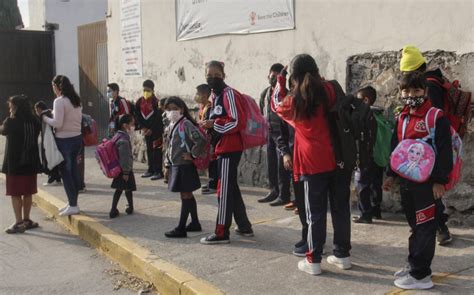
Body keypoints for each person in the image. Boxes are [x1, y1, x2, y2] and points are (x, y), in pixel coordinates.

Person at [271, 54, 352, 275]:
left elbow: (275, 105)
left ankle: (313, 260)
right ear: (316, 71)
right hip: (339, 159)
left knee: (314, 213)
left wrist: (280, 81)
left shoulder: (294, 99)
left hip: (312, 163)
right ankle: (342, 255)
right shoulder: (331, 89)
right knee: (341, 209)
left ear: (293, 76)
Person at [383, 72, 452, 290]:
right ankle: (414, 263)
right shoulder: (402, 117)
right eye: (406, 91)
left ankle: (421, 275)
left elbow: (444, 151)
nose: (411, 95)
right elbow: (397, 148)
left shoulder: (435, 117)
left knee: (425, 226)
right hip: (407, 183)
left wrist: (440, 181)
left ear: (425, 91)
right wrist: (391, 174)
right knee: (415, 225)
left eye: (416, 91)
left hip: (427, 184)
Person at [400, 45, 452, 245]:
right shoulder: (431, 83)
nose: (411, 94)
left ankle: (439, 228)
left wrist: (440, 178)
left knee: (431, 196)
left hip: (429, 154)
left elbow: (434, 123)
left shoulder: (430, 87)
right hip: (417, 155)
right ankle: (424, 230)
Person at [200, 61, 253, 244]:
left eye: (216, 75)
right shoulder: (215, 95)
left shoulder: (229, 94)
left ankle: (221, 232)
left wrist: (214, 124)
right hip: (222, 146)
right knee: (231, 187)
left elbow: (237, 121)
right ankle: (244, 225)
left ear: (223, 75)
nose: (212, 78)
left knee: (223, 190)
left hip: (230, 147)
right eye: (209, 75)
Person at [163, 97, 207, 238]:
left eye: (174, 108)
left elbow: (200, 140)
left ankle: (181, 228)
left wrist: (192, 155)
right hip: (176, 165)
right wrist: (167, 165)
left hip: (184, 166)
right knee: (187, 194)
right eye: (168, 109)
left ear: (182, 109)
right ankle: (195, 223)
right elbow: (168, 146)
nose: (171, 112)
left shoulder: (185, 124)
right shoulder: (172, 124)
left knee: (185, 195)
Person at [44, 75, 83, 216]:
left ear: (58, 87)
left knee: (66, 173)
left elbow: (58, 123)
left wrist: (45, 118)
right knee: (73, 172)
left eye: (53, 86)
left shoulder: (59, 101)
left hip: (64, 140)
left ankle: (73, 205)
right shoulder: (76, 100)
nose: (53, 89)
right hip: (77, 139)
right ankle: (73, 202)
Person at [1, 95, 41, 233]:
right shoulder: (34, 121)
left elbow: (2, 130)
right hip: (31, 162)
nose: (9, 108)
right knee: (28, 192)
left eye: (11, 105)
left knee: (16, 193)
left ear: (16, 107)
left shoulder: (10, 122)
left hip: (15, 163)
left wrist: (10, 117)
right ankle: (27, 220)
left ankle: (18, 223)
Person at [258, 63, 292, 207]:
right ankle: (273, 190)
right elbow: (262, 111)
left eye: (276, 78)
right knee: (271, 164)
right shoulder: (265, 93)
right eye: (271, 77)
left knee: (281, 166)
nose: (273, 80)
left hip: (281, 135)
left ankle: (284, 195)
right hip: (269, 133)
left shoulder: (285, 93)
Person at [352, 86, 385, 223]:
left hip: (366, 155)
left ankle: (365, 214)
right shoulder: (380, 115)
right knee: (376, 184)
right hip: (379, 156)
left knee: (361, 184)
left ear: (365, 100)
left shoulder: (364, 115)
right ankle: (376, 210)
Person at [277, 118, 308, 256]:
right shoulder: (289, 105)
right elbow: (281, 134)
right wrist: (285, 153)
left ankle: (314, 241)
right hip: (295, 159)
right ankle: (306, 236)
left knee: (312, 204)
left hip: (311, 160)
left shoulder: (315, 102)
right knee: (301, 202)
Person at [135, 80, 164, 180]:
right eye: (144, 90)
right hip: (146, 130)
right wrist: (143, 127)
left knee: (157, 151)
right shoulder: (139, 101)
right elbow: (137, 115)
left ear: (152, 90)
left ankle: (158, 171)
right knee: (149, 150)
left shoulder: (156, 102)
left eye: (148, 90)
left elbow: (158, 118)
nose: (146, 92)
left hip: (156, 131)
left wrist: (152, 129)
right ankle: (150, 169)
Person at [109, 114, 136, 218]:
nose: (133, 126)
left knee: (122, 189)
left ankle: (129, 207)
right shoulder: (124, 139)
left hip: (119, 168)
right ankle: (114, 209)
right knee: (123, 189)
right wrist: (126, 172)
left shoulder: (117, 136)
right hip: (124, 169)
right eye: (132, 124)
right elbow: (125, 157)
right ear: (125, 125)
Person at [195, 83, 218, 195]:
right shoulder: (202, 107)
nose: (196, 96)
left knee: (213, 162)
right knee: (209, 162)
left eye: (198, 94)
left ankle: (214, 184)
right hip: (205, 139)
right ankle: (211, 182)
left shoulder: (210, 108)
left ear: (204, 95)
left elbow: (208, 124)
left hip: (211, 139)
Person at [35, 101, 62, 186]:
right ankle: (57, 178)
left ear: (39, 109)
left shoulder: (43, 116)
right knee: (53, 158)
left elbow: (44, 130)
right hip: (54, 139)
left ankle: (52, 179)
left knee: (49, 158)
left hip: (48, 140)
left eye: (36, 110)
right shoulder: (49, 113)